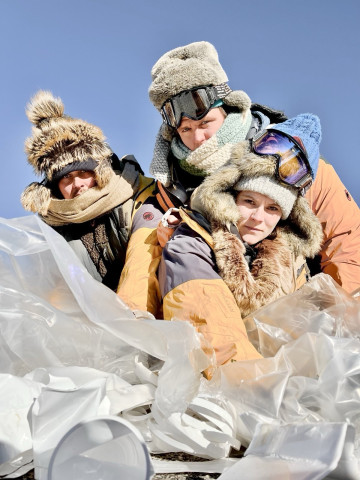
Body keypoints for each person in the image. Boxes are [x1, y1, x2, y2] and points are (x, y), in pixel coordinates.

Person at [148, 41, 360, 294]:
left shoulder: (295, 166)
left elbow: (346, 247)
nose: (198, 139)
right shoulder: (171, 186)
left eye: (205, 123)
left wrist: (340, 319)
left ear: (229, 111)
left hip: (298, 311)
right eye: (185, 129)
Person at [158, 114, 324, 376]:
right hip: (227, 385)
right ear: (229, 196)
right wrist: (267, 387)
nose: (258, 218)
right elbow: (213, 335)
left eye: (272, 208)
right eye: (249, 201)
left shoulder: (293, 262)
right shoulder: (192, 243)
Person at [21, 90, 163, 301]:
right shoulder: (52, 230)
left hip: (150, 309)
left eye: (83, 172)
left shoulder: (136, 194)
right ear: (54, 187)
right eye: (66, 178)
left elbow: (144, 259)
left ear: (100, 170)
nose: (77, 184)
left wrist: (132, 323)